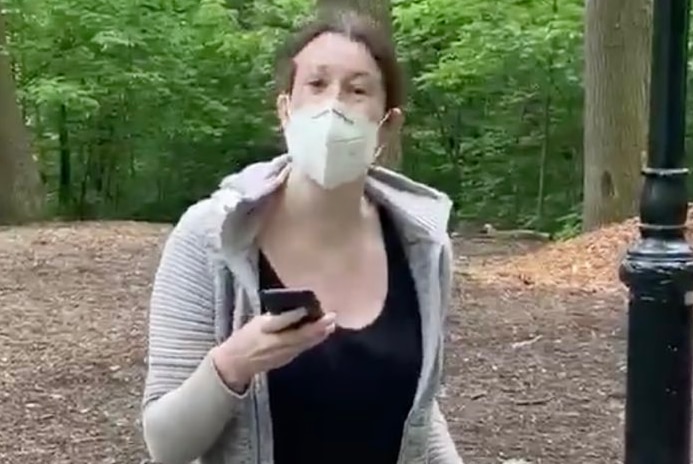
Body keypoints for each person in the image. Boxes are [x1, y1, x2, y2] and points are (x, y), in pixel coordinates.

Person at [141, 11, 463, 464]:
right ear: (285, 109)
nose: (334, 107)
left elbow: (421, 415)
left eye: (357, 90)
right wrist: (233, 363)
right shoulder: (210, 237)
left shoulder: (423, 248)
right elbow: (166, 446)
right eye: (316, 84)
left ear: (386, 126)